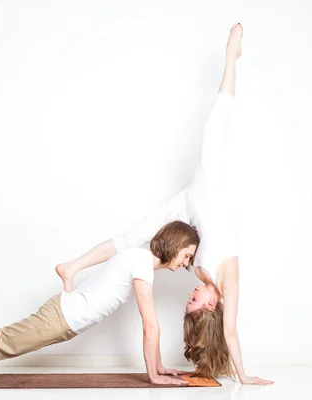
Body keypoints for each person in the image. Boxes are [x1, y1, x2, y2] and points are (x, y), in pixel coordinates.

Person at [55, 23, 273, 385]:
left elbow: (176, 259)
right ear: (210, 305)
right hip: (209, 190)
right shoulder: (229, 283)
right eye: (194, 300)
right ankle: (231, 56)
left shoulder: (203, 278)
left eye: (187, 299)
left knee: (135, 237)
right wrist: (244, 375)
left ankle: (72, 266)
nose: (190, 294)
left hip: (187, 208)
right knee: (212, 126)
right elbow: (230, 332)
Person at [0, 221, 198, 386]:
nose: (186, 263)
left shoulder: (138, 259)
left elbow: (150, 324)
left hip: (61, 318)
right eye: (187, 255)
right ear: (174, 244)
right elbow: (150, 324)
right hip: (59, 318)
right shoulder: (142, 262)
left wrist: (159, 368)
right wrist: (154, 374)